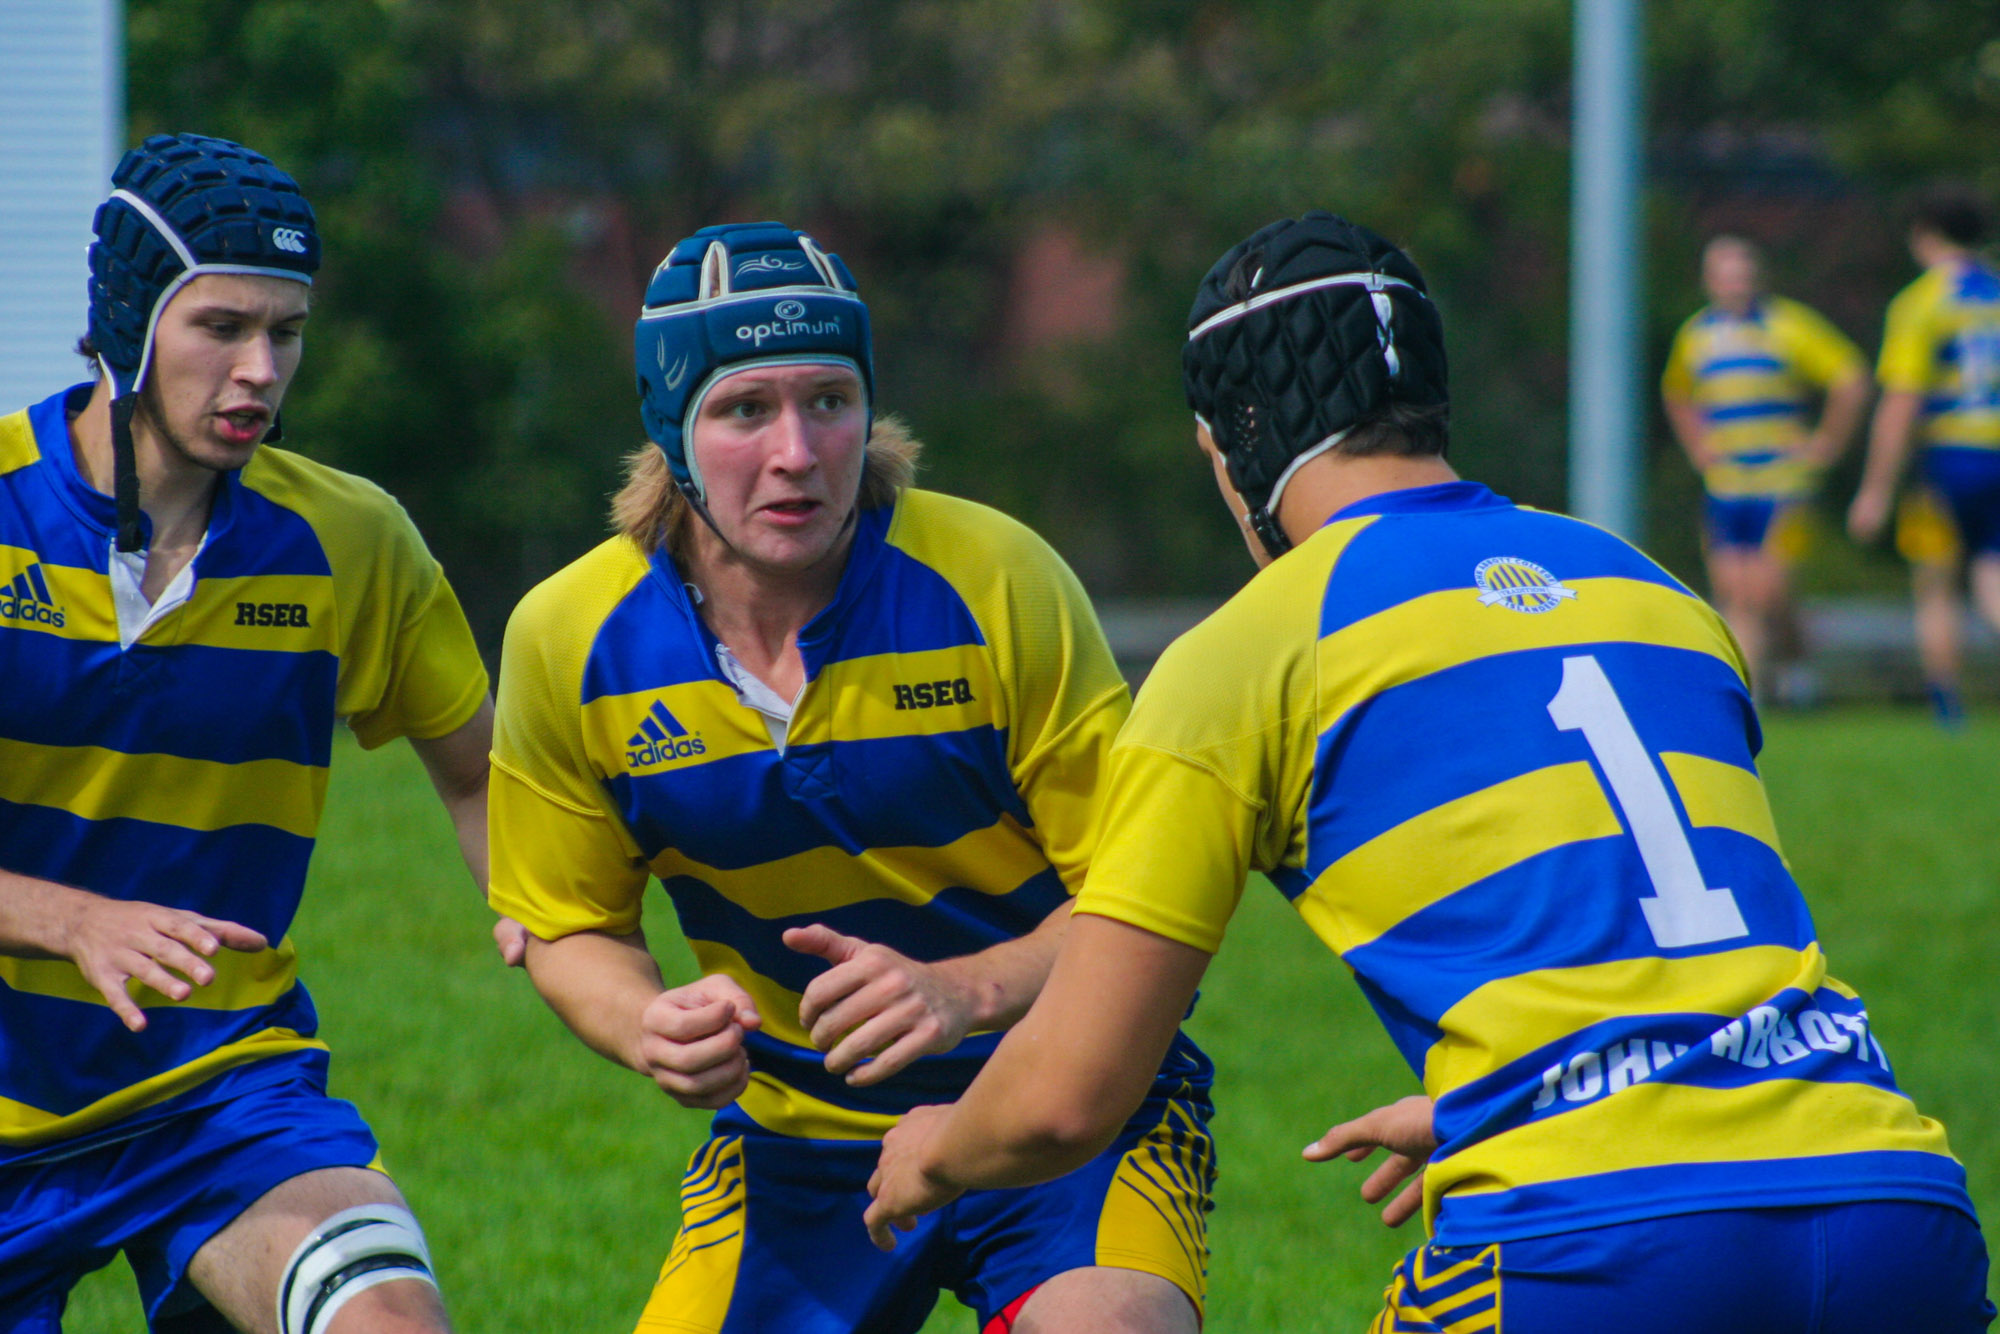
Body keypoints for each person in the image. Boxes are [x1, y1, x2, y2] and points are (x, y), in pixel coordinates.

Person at [867, 212, 1995, 1331]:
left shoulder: (1252, 648)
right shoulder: (1651, 589)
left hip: (1590, 1237)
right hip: (1892, 1206)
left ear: (1234, 439)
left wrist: (937, 1149)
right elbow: (1660, 939)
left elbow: (1068, 1097)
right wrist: (1495, 1098)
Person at [486, 220, 1215, 1334]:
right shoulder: (570, 639)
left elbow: (1145, 904)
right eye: (744, 410)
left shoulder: (996, 579)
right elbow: (567, 923)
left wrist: (964, 989)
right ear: (670, 428)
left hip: (1069, 1109)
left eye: (829, 400)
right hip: (795, 1143)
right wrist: (646, 1021)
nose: (798, 451)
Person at [0, 134, 492, 1333]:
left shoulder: (351, 540)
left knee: (388, 1321)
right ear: (128, 323)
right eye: (221, 326)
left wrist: (581, 944)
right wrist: (72, 919)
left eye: (287, 331)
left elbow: (482, 779)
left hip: (216, 1085)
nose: (260, 370)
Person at [1661, 235, 1870, 702]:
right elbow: (1676, 391)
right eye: (1726, 276)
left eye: (1743, 275)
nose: (1736, 284)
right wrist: (1698, 446)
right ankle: (1747, 695)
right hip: (1726, 482)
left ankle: (1796, 662)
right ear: (1709, 281)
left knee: (1769, 590)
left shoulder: (1787, 325)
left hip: (1782, 482)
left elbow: (1850, 379)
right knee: (1733, 591)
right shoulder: (1697, 335)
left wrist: (1826, 443)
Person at [1849, 188, 2000, 727]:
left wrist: (1875, 491)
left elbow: (1901, 402)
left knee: (1935, 581)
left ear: (1924, 234)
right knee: (1992, 569)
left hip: (1948, 457)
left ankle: (1947, 707)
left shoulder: (1922, 301)